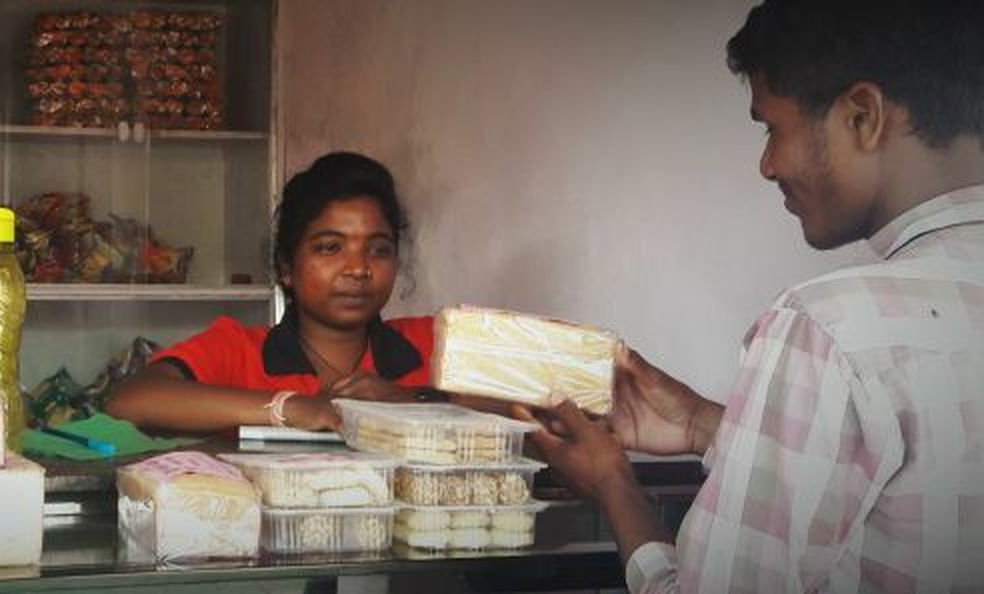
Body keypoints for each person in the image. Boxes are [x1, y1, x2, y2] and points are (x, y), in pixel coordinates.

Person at [519, 1, 984, 592]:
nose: (767, 165)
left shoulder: (825, 329)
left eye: (771, 128)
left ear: (863, 116)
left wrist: (615, 485)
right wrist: (700, 423)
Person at [106, 152, 437, 433]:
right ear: (286, 268)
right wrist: (294, 408)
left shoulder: (433, 342)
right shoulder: (239, 350)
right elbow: (130, 400)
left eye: (379, 250)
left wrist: (407, 400)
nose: (359, 269)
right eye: (330, 247)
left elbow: (490, 402)